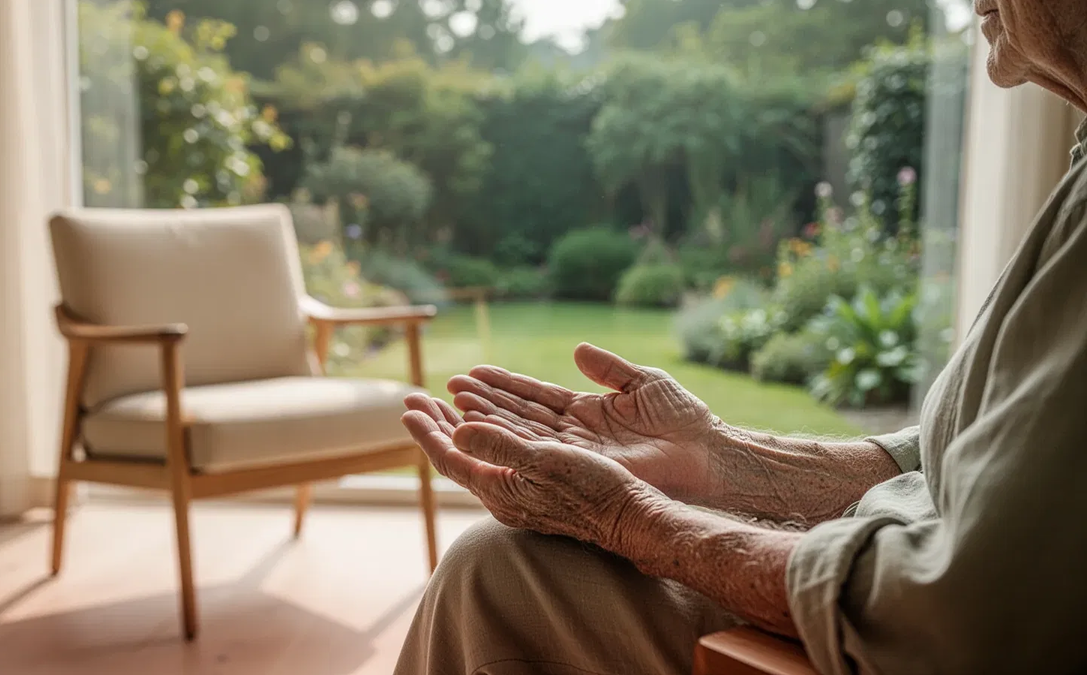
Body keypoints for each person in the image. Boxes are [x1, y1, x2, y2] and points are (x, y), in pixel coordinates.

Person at [395, 1, 1087, 673]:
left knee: (497, 578)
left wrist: (630, 518)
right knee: (501, 562)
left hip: (898, 621)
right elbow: (943, 458)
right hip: (891, 556)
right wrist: (717, 456)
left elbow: (957, 614)